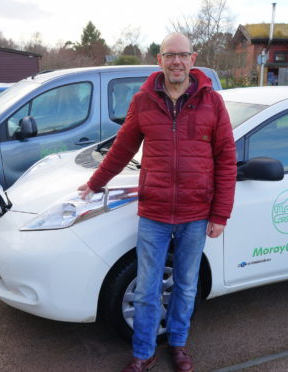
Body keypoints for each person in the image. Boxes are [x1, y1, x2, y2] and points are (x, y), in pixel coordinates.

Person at [78, 32, 236, 372]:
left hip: (196, 213)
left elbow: (226, 158)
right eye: (169, 55)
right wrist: (94, 183)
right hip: (155, 213)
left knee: (186, 284)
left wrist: (220, 213)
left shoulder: (213, 102)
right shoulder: (143, 101)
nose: (176, 61)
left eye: (182, 55)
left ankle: (178, 345)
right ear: (160, 60)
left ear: (193, 59)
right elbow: (122, 149)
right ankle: (144, 352)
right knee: (147, 288)